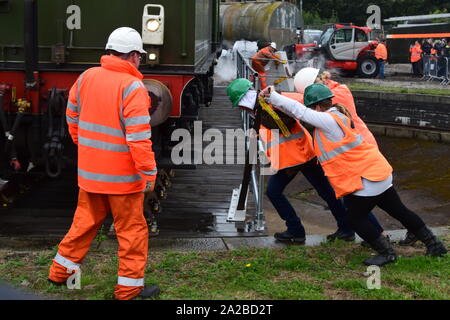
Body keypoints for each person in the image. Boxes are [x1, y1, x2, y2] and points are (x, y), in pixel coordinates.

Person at [260, 83, 447, 266]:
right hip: (378, 172)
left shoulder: (328, 121)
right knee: (400, 211)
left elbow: (301, 112)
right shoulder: (339, 115)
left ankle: (386, 253)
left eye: (312, 108)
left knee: (354, 219)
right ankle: (434, 244)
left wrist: (273, 96)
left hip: (366, 178)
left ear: (317, 106)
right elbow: (299, 113)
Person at [48, 27, 159, 300]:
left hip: (90, 173)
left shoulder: (86, 77)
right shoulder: (132, 87)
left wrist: (85, 147)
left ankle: (59, 272)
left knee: (83, 223)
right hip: (122, 179)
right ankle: (129, 288)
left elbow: (71, 116)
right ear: (133, 56)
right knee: (131, 231)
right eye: (139, 57)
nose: (140, 61)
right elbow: (139, 138)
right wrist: (148, 173)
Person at [227, 78, 356, 243]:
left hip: (294, 157)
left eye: (239, 103)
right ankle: (346, 228)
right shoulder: (261, 107)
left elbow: (285, 124)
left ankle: (296, 230)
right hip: (302, 152)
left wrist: (260, 116)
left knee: (274, 192)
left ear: (244, 100)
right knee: (327, 192)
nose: (239, 107)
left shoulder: (264, 107)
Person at [283, 68, 387, 244]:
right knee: (359, 198)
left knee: (359, 200)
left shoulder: (336, 96)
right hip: (354, 150)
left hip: (358, 152)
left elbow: (301, 105)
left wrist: (277, 95)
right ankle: (358, 232)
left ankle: (379, 236)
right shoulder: (336, 89)